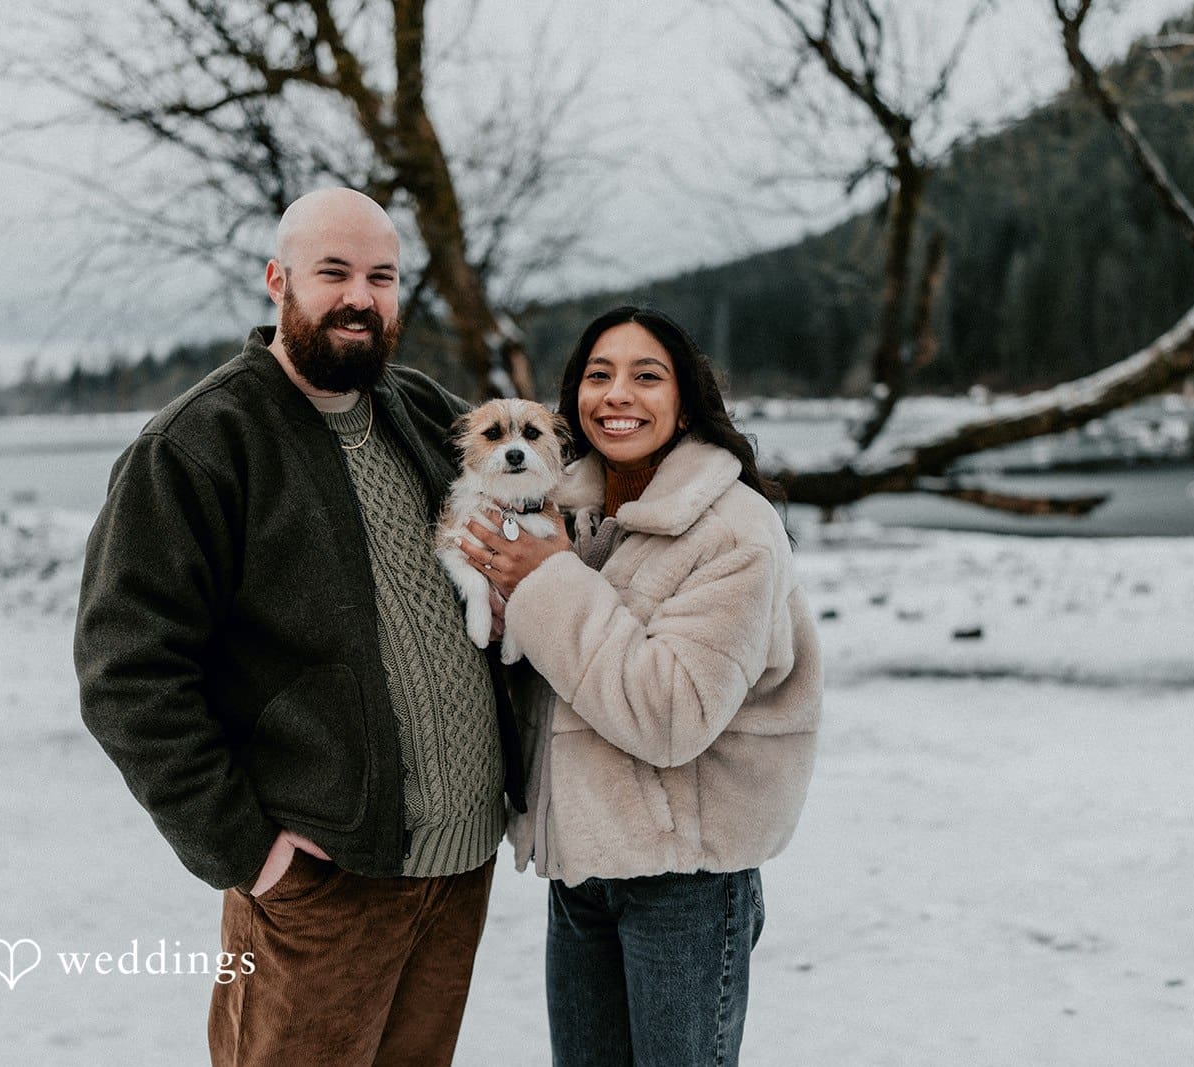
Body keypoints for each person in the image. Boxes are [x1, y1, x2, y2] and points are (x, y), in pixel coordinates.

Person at [74, 187, 523, 1066]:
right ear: (278, 281)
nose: (361, 296)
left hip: (458, 866)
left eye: (382, 277)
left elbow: (508, 528)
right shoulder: (199, 445)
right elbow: (124, 673)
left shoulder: (425, 410)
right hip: (323, 885)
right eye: (334, 273)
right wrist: (252, 851)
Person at [457, 305, 822, 1066]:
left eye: (645, 376)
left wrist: (549, 579)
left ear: (684, 401)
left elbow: (671, 713)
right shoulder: (570, 515)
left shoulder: (734, 529)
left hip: (683, 880)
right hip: (583, 868)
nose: (617, 393)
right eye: (599, 375)